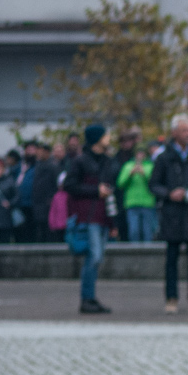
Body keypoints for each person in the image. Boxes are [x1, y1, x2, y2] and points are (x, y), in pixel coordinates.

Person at [150, 114, 188, 314]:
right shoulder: (164, 157)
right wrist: (169, 194)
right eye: (184, 130)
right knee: (172, 259)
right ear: (174, 133)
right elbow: (154, 185)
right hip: (173, 215)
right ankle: (171, 298)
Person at [64, 124, 117, 314]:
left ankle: (90, 298)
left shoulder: (107, 161)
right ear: (97, 138)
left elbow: (110, 191)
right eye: (106, 134)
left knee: (96, 258)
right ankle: (87, 299)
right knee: (94, 257)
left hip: (102, 216)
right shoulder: (81, 161)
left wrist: (113, 222)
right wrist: (95, 191)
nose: (109, 137)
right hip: (89, 216)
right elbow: (69, 185)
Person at [117, 146, 157, 242]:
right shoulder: (128, 166)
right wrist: (130, 174)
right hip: (132, 203)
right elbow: (120, 183)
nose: (140, 156)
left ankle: (148, 253)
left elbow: (155, 183)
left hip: (147, 203)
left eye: (142, 153)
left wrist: (144, 173)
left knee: (147, 231)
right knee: (133, 231)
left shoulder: (150, 166)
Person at [32, 141, 67, 242]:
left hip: (49, 204)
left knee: (49, 231)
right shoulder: (38, 165)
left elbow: (57, 185)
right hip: (38, 204)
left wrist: (51, 199)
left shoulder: (53, 166)